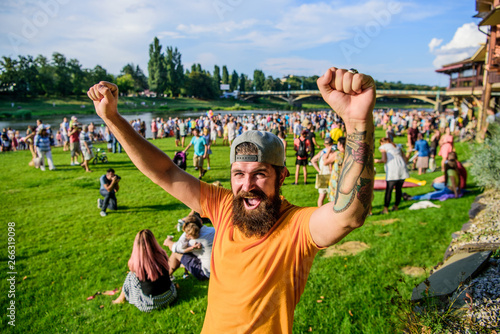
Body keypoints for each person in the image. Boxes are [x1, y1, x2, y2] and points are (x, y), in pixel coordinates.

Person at [87, 66, 375, 333]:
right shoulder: (223, 205)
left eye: (259, 174)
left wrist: (357, 122)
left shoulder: (297, 227)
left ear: (282, 176)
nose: (247, 186)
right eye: (239, 174)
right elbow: (164, 171)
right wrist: (112, 118)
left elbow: (348, 215)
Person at [111, 229, 177, 311]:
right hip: (170, 296)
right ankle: (121, 298)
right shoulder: (162, 255)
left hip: (150, 304)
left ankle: (121, 298)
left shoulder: (136, 263)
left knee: (131, 276)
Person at [163, 214, 215, 280]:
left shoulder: (192, 242)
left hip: (207, 273)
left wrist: (168, 242)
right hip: (221, 268)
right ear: (201, 221)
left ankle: (165, 278)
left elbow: (176, 249)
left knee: (176, 253)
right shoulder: (214, 230)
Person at [375, 137, 409, 214]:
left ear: (382, 143)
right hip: (402, 168)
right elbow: (405, 159)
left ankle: (385, 209)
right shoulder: (397, 146)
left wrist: (376, 161)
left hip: (393, 169)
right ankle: (396, 206)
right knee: (399, 189)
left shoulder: (383, 147)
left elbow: (384, 160)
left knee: (389, 190)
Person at [311, 137, 334, 207]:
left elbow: (313, 160)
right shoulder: (333, 152)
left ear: (324, 144)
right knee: (333, 197)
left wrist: (319, 170)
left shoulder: (321, 152)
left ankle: (319, 212)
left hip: (322, 175)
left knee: (321, 196)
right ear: (332, 144)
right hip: (331, 175)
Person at [323, 137, 346, 203]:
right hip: (345, 179)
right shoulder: (349, 154)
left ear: (341, 145)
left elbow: (325, 162)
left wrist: (328, 151)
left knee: (334, 200)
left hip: (336, 179)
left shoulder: (337, 154)